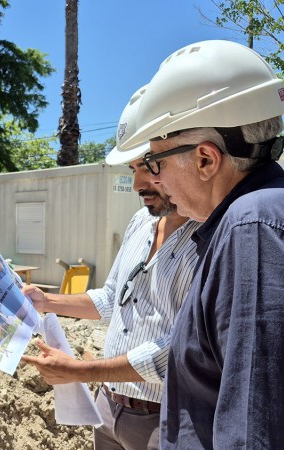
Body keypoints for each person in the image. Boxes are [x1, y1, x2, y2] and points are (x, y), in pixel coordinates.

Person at [116, 39, 284, 448]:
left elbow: (257, 432)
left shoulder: (255, 232)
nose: (154, 180)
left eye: (156, 163)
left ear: (205, 159)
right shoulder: (278, 217)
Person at [20, 87, 201, 450]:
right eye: (133, 169)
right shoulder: (140, 222)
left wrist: (82, 371)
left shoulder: (210, 237)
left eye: (149, 168)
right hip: (108, 408)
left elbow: (178, 348)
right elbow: (110, 298)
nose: (138, 185)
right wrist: (46, 301)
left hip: (163, 418)